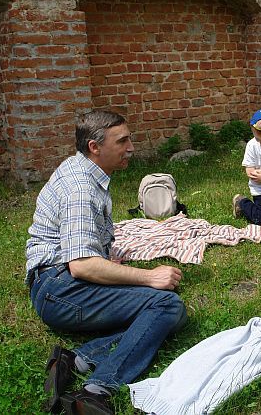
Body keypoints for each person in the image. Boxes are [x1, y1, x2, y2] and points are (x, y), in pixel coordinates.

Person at [25, 111, 187, 414]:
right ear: (94, 147)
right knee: (165, 306)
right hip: (60, 291)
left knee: (168, 314)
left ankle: (75, 360)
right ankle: (97, 390)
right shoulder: (81, 190)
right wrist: (149, 277)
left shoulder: (82, 170)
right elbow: (82, 265)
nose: (131, 147)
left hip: (56, 285)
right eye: (122, 141)